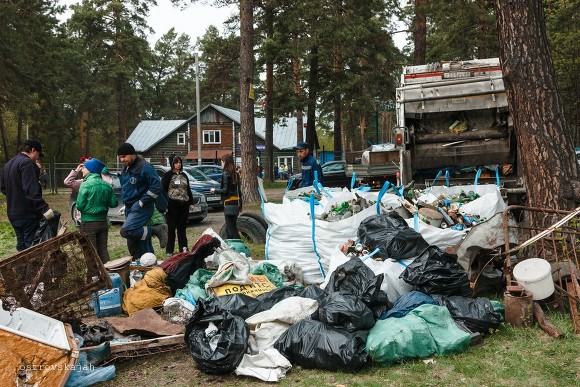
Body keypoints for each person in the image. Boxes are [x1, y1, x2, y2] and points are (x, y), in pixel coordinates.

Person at [1, 139, 55, 251]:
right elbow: (31, 190)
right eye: (38, 154)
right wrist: (44, 208)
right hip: (28, 214)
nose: (37, 158)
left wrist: (16, 195)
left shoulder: (9, 164)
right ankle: (33, 269)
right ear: (33, 150)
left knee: (21, 247)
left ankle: (21, 269)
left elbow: (3, 188)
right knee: (32, 249)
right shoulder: (27, 163)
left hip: (13, 214)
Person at [116, 142, 167, 261]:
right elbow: (129, 187)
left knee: (127, 231)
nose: (122, 160)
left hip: (141, 208)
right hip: (130, 208)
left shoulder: (145, 167)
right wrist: (126, 204)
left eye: (124, 157)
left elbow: (156, 187)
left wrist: (142, 202)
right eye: (120, 158)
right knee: (133, 243)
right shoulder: (127, 167)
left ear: (132, 154)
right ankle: (139, 265)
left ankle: (158, 230)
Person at [75, 158, 118, 264]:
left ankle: (94, 276)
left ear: (91, 169)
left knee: (91, 252)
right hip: (103, 222)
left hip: (88, 223)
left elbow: (79, 206)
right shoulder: (107, 185)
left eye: (84, 167)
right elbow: (114, 204)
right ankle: (108, 274)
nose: (82, 170)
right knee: (103, 250)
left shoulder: (85, 185)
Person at [161, 155, 194, 256]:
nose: (178, 164)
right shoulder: (167, 175)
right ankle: (169, 250)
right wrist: (164, 204)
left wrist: (191, 202)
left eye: (179, 162)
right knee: (171, 228)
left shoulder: (184, 175)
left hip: (183, 204)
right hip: (172, 204)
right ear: (172, 164)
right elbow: (162, 190)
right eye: (176, 162)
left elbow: (188, 189)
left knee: (182, 228)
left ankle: (183, 248)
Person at [210, 153, 241, 240]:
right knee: (231, 225)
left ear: (225, 162)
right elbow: (239, 191)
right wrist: (240, 204)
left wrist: (214, 190)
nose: (221, 164)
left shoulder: (226, 173)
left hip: (228, 201)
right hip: (236, 201)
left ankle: (239, 245)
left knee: (231, 228)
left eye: (221, 162)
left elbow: (225, 190)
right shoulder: (235, 173)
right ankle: (229, 243)